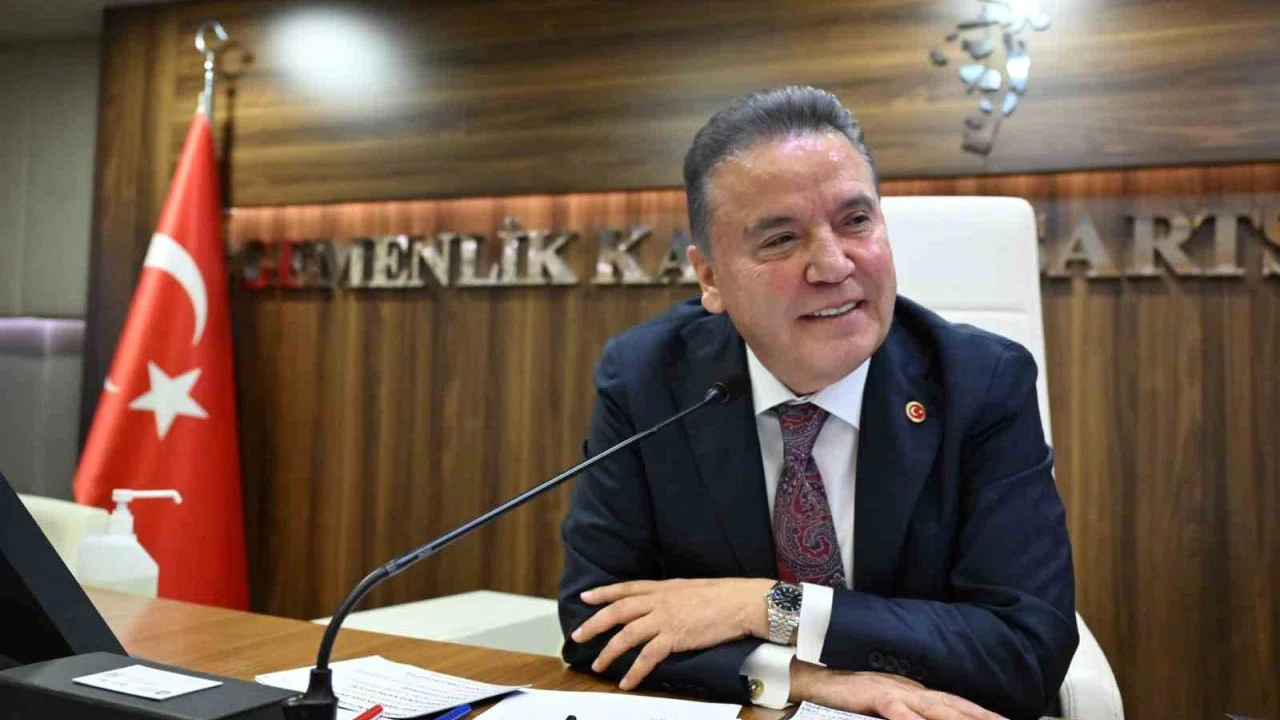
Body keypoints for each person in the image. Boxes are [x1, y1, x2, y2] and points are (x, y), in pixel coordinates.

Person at [557, 85, 1077, 720]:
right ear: (711, 277)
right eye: (781, 238)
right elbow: (597, 623)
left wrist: (767, 606)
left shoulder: (982, 383)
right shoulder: (648, 380)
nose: (833, 266)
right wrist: (804, 680)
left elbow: (1024, 652)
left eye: (856, 222)